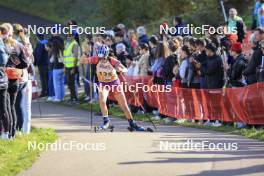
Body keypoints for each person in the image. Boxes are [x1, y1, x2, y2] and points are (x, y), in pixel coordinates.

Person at [80, 44, 146, 131]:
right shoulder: (96, 59)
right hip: (103, 84)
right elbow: (82, 61)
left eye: (103, 57)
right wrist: (85, 52)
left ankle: (132, 123)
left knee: (124, 106)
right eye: (100, 57)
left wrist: (120, 69)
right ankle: (106, 122)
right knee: (102, 101)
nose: (102, 59)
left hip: (114, 83)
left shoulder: (112, 60)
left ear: (106, 54)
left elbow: (125, 69)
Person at [2, 23, 28, 138]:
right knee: (12, 106)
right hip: (15, 79)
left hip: (5, 77)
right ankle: (12, 133)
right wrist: (16, 66)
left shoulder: (3, 44)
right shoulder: (18, 45)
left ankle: (7, 133)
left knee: (5, 107)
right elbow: (25, 63)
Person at [64, 33, 80, 104]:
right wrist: (65, 66)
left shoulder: (74, 44)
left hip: (72, 67)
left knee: (72, 83)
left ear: (73, 37)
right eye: (67, 36)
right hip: (68, 66)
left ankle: (75, 99)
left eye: (69, 36)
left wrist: (74, 68)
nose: (68, 37)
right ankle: (72, 98)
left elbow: (76, 57)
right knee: (69, 83)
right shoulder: (68, 44)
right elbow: (66, 56)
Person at [0, 24, 10, 140]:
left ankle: (6, 134)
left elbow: (4, 61)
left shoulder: (2, 46)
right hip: (4, 80)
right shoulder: (4, 45)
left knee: (3, 109)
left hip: (2, 82)